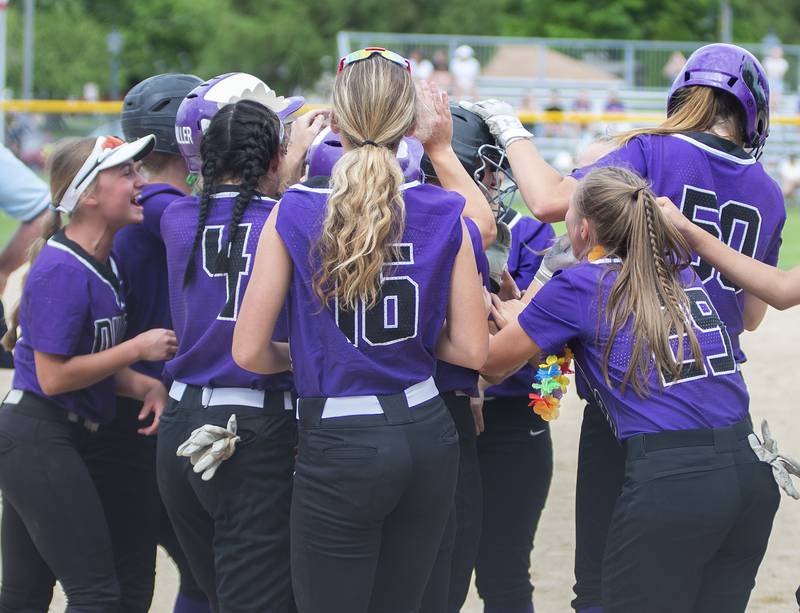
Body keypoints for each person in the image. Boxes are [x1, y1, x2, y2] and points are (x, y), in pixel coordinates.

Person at [462, 42, 785, 613]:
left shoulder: (648, 155)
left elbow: (546, 202)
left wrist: (510, 128)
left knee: (603, 592)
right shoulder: (759, 191)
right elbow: (756, 311)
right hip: (723, 402)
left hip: (639, 407)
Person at [232, 49, 489, 613]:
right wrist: (411, 343)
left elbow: (248, 350)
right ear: (411, 127)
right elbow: (472, 349)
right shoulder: (447, 209)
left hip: (341, 436)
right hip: (424, 427)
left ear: (338, 121)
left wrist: (310, 354)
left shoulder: (294, 209)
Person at [0, 135, 176, 612]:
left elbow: (82, 362)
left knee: (23, 596)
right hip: (39, 435)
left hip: (43, 435)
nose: (140, 182)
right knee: (97, 595)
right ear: (89, 196)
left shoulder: (103, 261)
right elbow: (54, 377)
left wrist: (143, 382)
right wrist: (134, 350)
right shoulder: (63, 267)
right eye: (124, 174)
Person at [157, 98, 301, 612]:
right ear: (272, 159)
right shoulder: (290, 221)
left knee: (215, 592)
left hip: (182, 416)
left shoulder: (176, 218)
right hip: (253, 426)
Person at [96, 72, 211, 613]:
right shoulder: (193, 219)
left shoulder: (129, 219)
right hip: (155, 425)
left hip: (130, 422)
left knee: (139, 581)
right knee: (199, 577)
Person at [764, 45, 788, 111]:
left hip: (778, 80)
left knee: (777, 97)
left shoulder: (783, 62)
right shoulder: (768, 60)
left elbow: (781, 73)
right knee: (770, 97)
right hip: (770, 80)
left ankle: (775, 111)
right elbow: (768, 71)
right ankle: (770, 111)